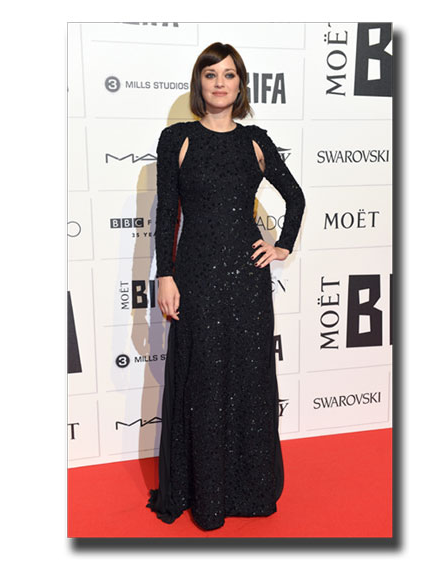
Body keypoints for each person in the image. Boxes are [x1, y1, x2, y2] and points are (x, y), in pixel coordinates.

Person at [146, 42, 305, 531]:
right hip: (195, 277)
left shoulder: (255, 141)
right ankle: (204, 494)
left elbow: (296, 197)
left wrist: (282, 245)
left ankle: (248, 489)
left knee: (248, 380)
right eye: (211, 74)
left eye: (229, 74)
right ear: (200, 82)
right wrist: (166, 274)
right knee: (202, 380)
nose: (220, 83)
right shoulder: (178, 138)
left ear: (241, 85)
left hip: (246, 280)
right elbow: (166, 214)